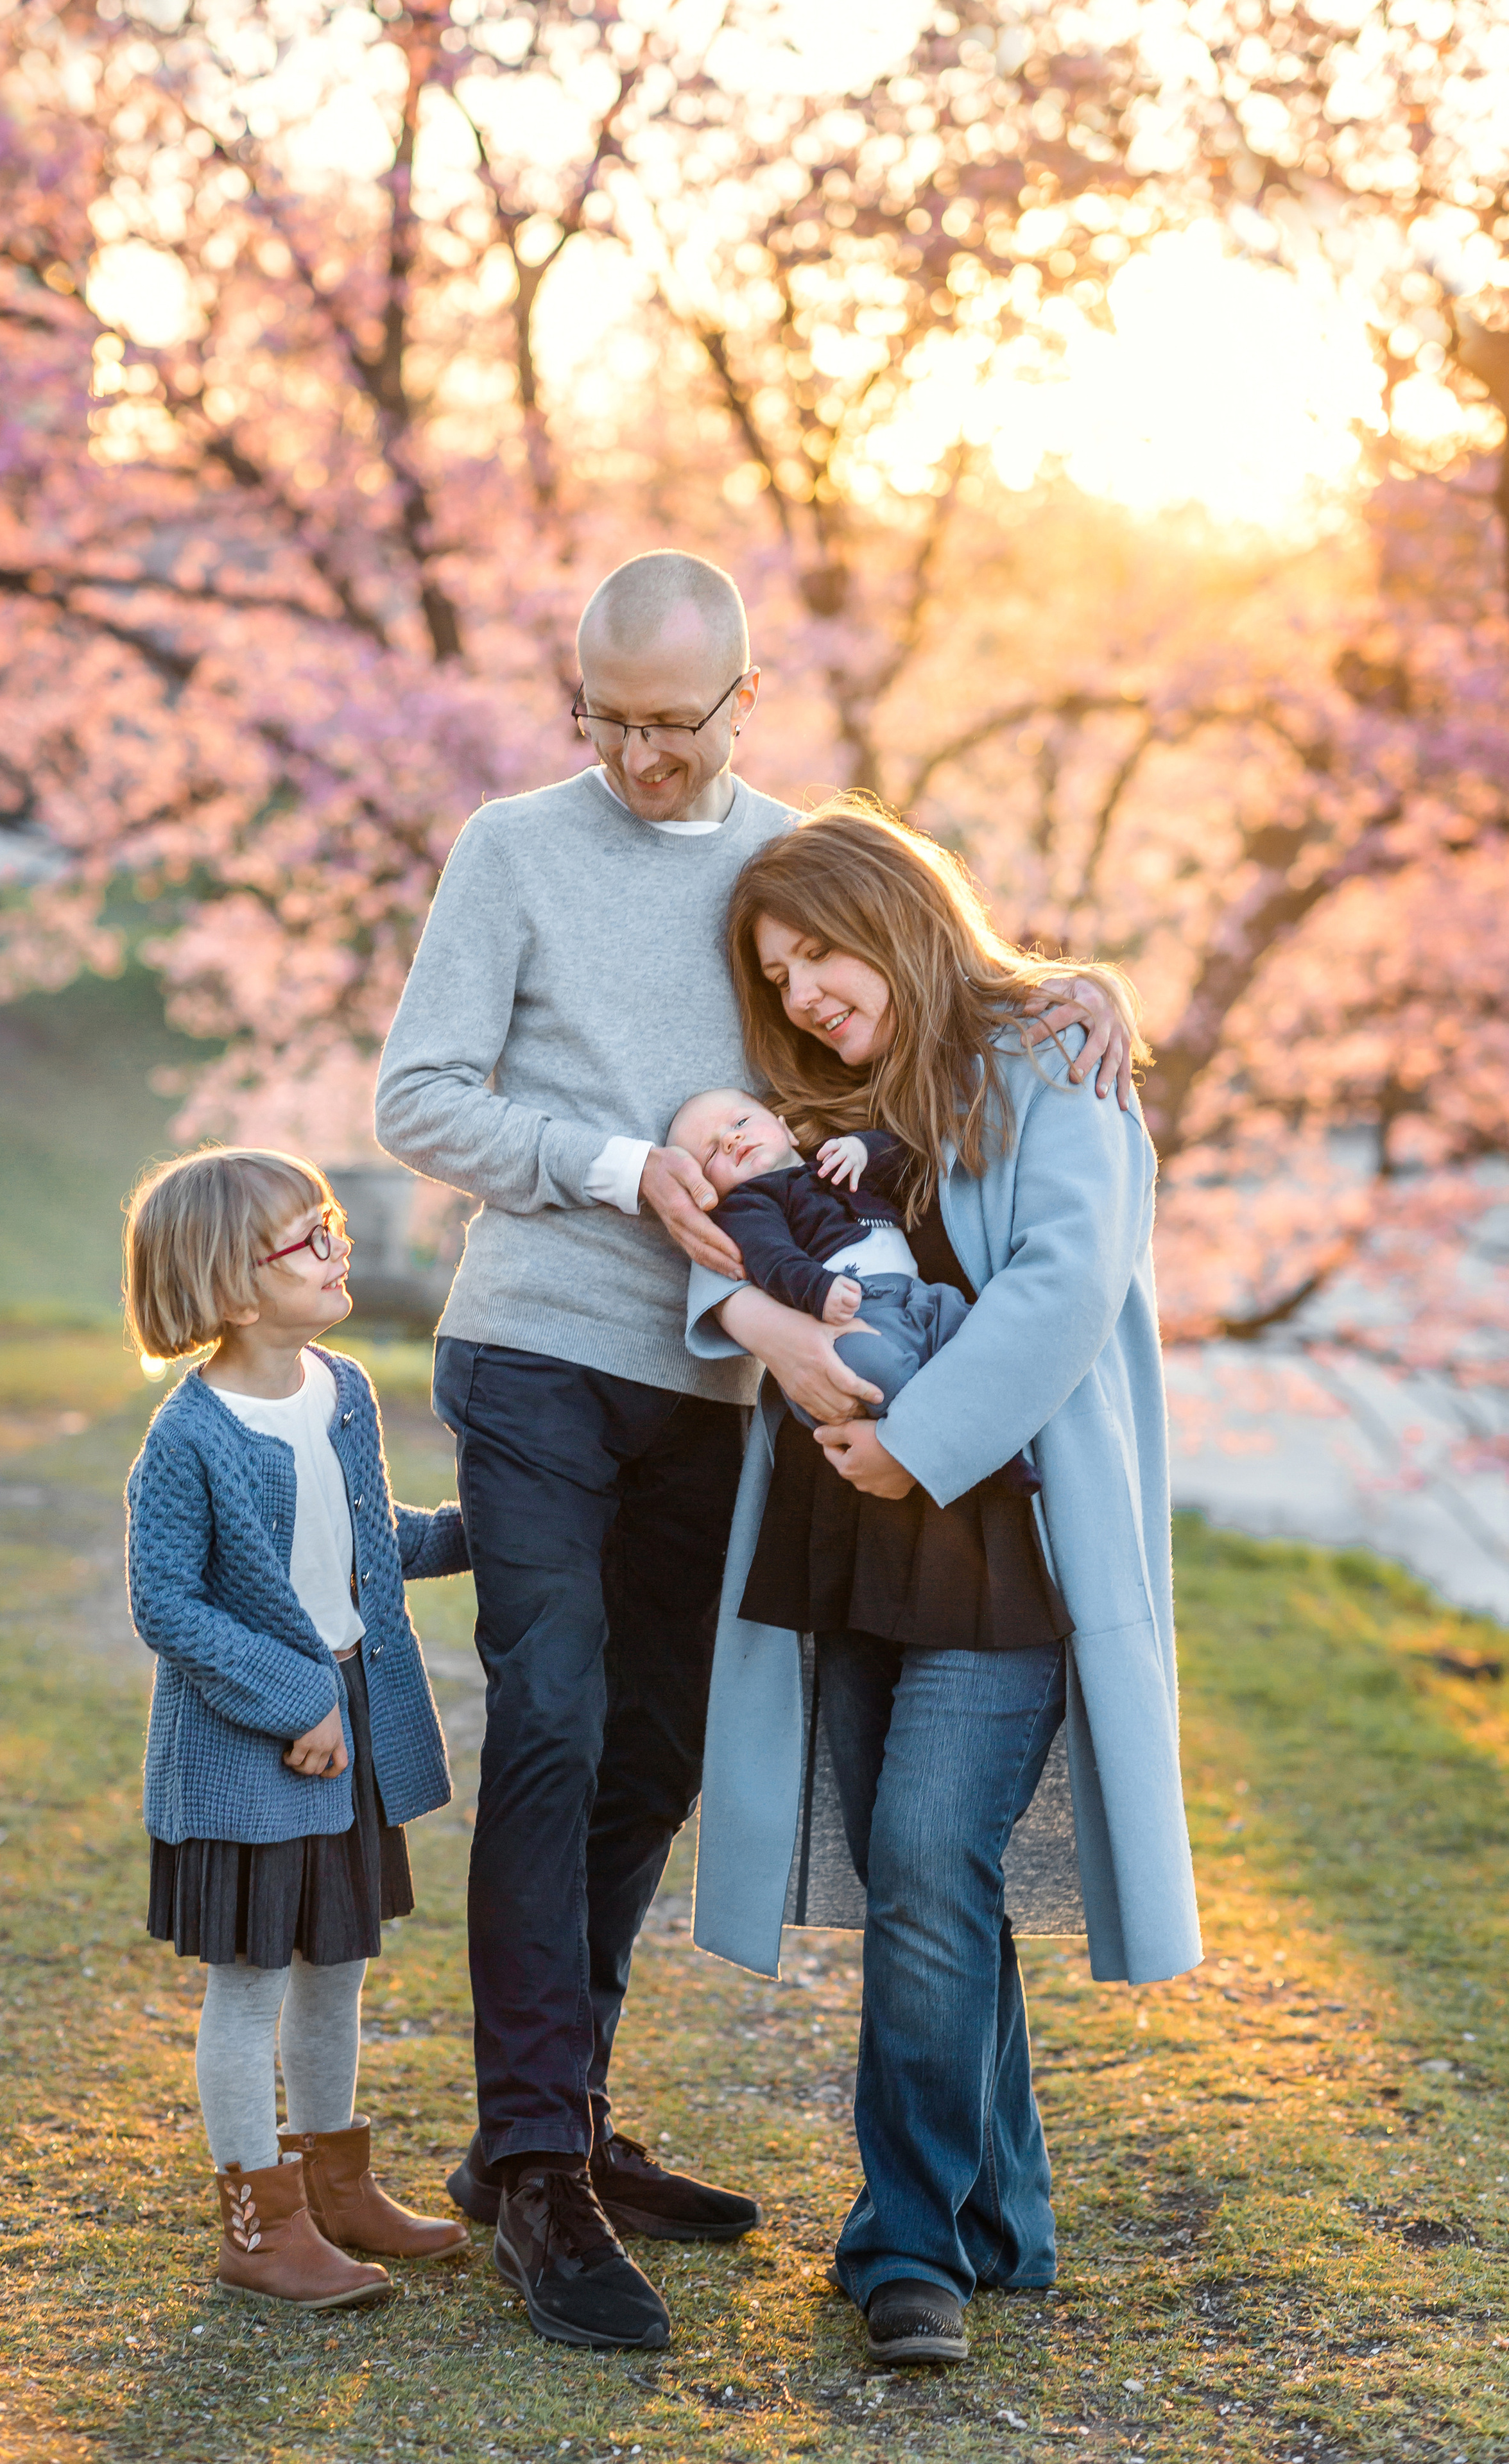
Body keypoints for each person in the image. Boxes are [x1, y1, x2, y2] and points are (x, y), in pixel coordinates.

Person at [373, 550, 1134, 2352]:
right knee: (553, 1715)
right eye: (605, 720)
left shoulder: (793, 869)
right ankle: (537, 2160)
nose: (638, 756)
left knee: (655, 1745)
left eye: (672, 723)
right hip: (540, 1342)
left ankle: (565, 2112)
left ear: (744, 699)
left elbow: (926, 1001)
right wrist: (617, 1167)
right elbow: (417, 1097)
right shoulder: (511, 849)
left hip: (725, 1390)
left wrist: (1080, 980)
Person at [684, 801, 1202, 2367]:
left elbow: (1062, 1285)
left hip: (997, 1536)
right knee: (933, 1890)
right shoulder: (804, 1099)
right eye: (777, 975)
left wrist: (918, 1439)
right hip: (841, 1532)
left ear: (895, 911)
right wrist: (758, 1328)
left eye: (822, 949)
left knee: (919, 1852)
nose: (804, 991)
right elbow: (720, 1242)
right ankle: (1002, 2215)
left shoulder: (1056, 1069)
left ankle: (903, 2243)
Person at [123, 1145, 470, 2311]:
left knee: (339, 1967)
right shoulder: (188, 1439)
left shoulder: (345, 1390)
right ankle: (258, 2227)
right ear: (231, 1287)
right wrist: (296, 1698)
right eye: (309, 1238)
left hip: (355, 1724)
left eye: (334, 1228)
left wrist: (488, 1530)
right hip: (244, 1752)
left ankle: (337, 2183)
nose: (340, 1250)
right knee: (254, 1983)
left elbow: (372, 1542)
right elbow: (167, 1604)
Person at [664, 1087, 1037, 1491]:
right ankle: (952, 1447)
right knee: (874, 1365)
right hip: (856, 1317)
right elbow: (772, 1260)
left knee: (970, 1331)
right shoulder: (748, 1206)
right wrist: (819, 1289)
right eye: (712, 1154)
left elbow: (908, 1159)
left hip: (919, 1296)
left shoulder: (832, 1160)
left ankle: (998, 1448)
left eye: (740, 1123)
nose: (732, 1139)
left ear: (786, 1130)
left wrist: (862, 1150)